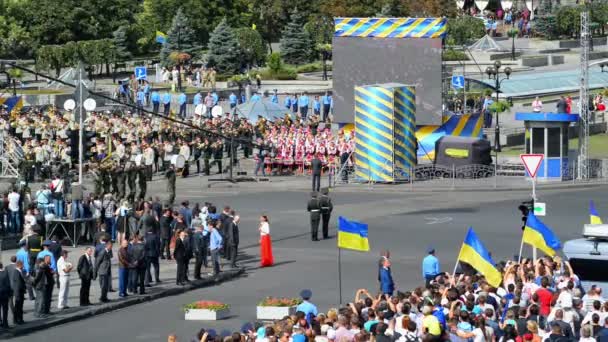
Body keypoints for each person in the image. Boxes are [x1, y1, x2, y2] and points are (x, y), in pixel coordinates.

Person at [10, 260, 25, 325]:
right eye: (22, 265)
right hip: (18, 293)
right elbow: (18, 284)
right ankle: (17, 320)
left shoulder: (19, 271)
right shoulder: (17, 272)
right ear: (20, 265)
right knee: (18, 307)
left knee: (19, 307)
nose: (23, 266)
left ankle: (19, 319)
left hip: (19, 292)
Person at [0, 263, 10, 328]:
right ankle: (5, 323)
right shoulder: (5, 274)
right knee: (5, 309)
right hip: (4, 294)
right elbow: (8, 284)